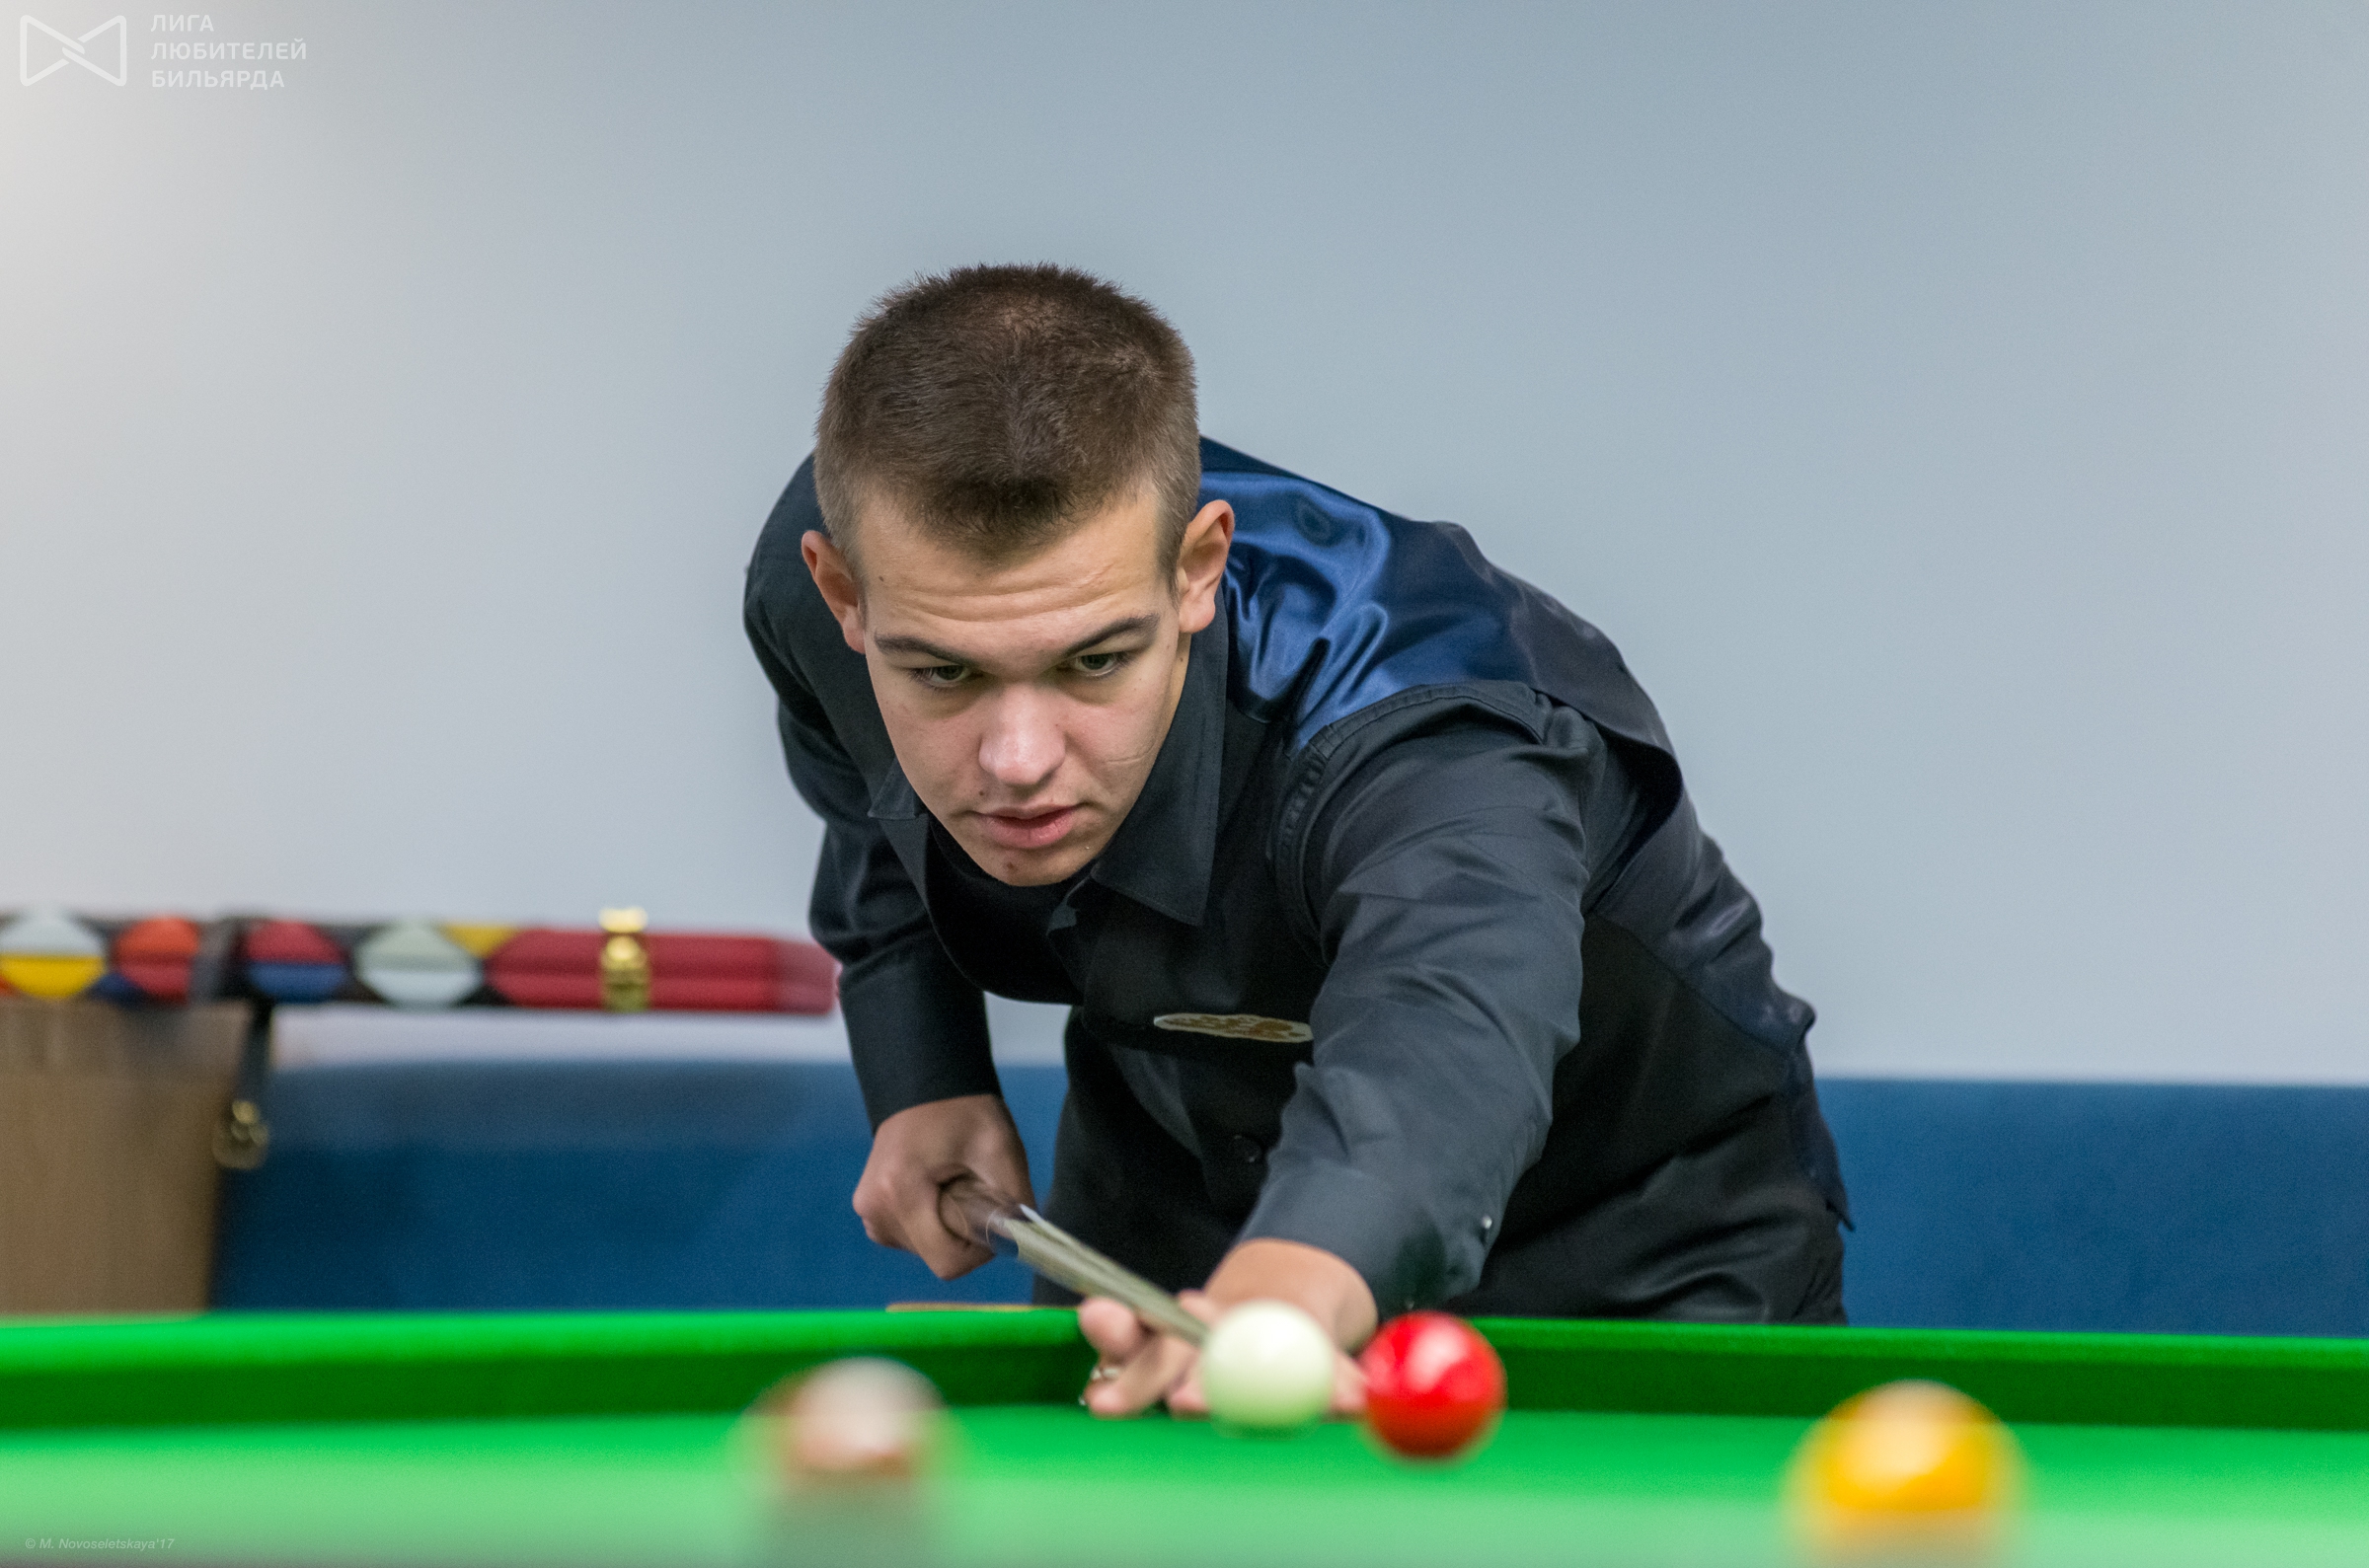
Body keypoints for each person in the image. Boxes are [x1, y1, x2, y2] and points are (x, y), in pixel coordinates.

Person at [742, 263, 1849, 1419]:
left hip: (1628, 1242)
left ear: (1197, 569)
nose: (1017, 759)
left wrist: (1296, 1279)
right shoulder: (842, 577)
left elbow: (1450, 1021)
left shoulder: (1433, 732)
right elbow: (866, 795)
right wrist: (925, 1070)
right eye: (944, 674)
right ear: (844, 595)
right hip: (1175, 1198)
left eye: (1095, 660)